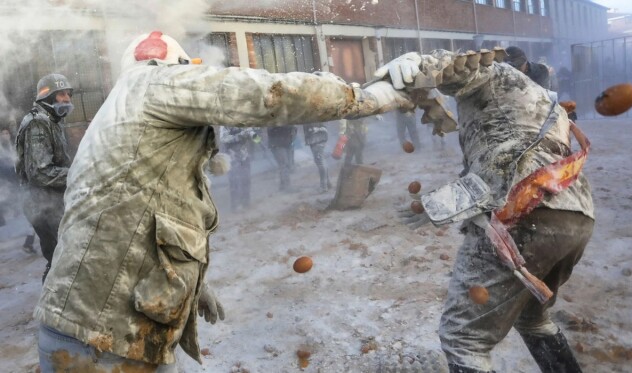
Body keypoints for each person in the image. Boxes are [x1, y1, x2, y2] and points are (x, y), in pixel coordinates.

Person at [33, 31, 414, 372]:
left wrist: (192, 285)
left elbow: (139, 216)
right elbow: (271, 94)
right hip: (104, 338)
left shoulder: (120, 110)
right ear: (176, 67)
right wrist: (367, 97)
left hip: (87, 329)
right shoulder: (153, 81)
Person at [390, 50, 593, 372]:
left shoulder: (497, 75)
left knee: (462, 339)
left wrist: (420, 63)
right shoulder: (542, 102)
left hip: (526, 216)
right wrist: (436, 207)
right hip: (574, 214)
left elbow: (465, 67)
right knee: (533, 317)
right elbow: (503, 163)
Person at [15, 74, 73, 281]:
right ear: (47, 98)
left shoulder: (52, 120)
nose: (67, 99)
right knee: (63, 259)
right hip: (42, 201)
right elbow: (40, 172)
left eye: (68, 94)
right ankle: (56, 306)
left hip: (50, 199)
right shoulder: (37, 123)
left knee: (62, 258)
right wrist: (76, 175)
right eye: (61, 95)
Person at [219, 126, 259, 211]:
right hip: (231, 156)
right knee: (235, 181)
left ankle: (246, 203)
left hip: (244, 155)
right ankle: (235, 205)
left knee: (246, 179)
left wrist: (254, 135)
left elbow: (256, 139)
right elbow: (223, 139)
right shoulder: (225, 124)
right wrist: (240, 135)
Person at [302, 122, 331, 192]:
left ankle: (323, 186)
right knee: (322, 159)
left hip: (315, 136)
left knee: (320, 161)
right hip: (320, 135)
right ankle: (327, 183)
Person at [267, 125, 297, 192]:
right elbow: (271, 130)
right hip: (277, 144)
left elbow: (294, 128)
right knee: (284, 164)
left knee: (288, 164)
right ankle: (287, 186)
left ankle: (283, 186)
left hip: (287, 143)